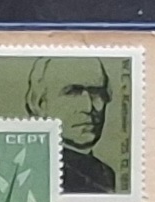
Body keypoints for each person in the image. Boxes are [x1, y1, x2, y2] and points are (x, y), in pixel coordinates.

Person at [19, 57, 120, 193]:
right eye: (73, 93)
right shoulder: (30, 171)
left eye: (96, 93)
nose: (88, 107)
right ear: (40, 104)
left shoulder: (105, 174)